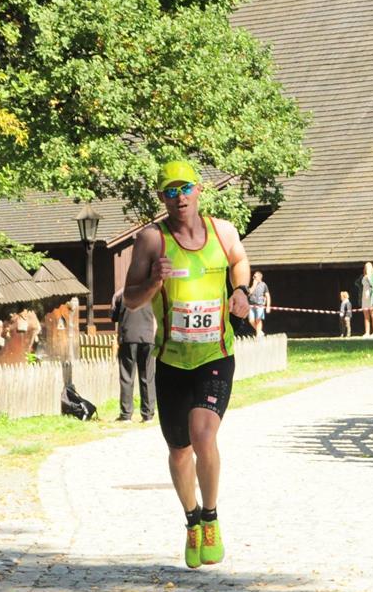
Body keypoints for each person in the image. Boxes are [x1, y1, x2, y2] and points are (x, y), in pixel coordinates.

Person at [122, 160, 251, 567]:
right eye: (171, 191)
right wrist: (153, 282)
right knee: (179, 450)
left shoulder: (223, 231)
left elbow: (239, 260)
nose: (180, 198)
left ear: (199, 190)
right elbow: (130, 299)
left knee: (203, 435)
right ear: (162, 198)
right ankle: (192, 519)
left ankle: (211, 517)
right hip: (172, 360)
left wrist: (241, 290)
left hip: (215, 354)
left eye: (186, 189)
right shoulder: (151, 240)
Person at [112, 288, 156, 422]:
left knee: (127, 376)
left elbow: (113, 317)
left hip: (128, 336)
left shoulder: (121, 294)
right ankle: (148, 415)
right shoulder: (152, 292)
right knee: (147, 376)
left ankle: (126, 415)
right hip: (148, 337)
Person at [358, 262, 373, 336]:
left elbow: (372, 283)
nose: (367, 268)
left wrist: (369, 275)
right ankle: (367, 332)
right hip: (365, 298)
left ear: (371, 267)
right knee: (366, 316)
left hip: (372, 297)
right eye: (366, 267)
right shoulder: (364, 276)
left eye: (368, 267)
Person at [247, 271, 270, 337]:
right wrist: (254, 285)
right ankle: (260, 331)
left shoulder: (264, 285)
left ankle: (258, 335)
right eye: (253, 276)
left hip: (260, 305)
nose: (253, 278)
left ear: (259, 277)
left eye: (255, 276)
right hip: (251, 305)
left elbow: (267, 296)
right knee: (251, 320)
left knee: (258, 320)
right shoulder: (251, 284)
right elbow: (249, 293)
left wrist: (268, 306)